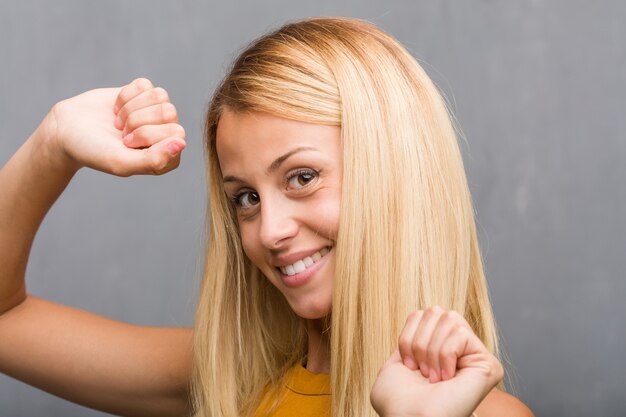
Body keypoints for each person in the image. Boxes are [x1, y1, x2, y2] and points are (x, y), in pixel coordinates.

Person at [0, 17, 533, 417]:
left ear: (393, 175)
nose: (269, 231)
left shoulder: (480, 412)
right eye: (245, 198)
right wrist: (53, 143)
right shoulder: (229, 379)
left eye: (302, 178)